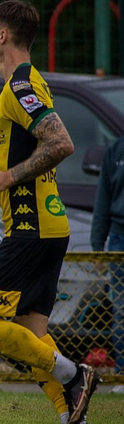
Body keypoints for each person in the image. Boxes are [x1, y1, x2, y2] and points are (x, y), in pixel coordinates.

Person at [0, 0, 98, 424]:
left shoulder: (19, 87)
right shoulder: (27, 83)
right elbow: (28, 157)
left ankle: (74, 374)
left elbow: (61, 143)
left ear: (3, 35)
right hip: (46, 228)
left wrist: (7, 178)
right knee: (32, 334)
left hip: (31, 230)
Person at [91, 135, 124, 373]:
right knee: (121, 310)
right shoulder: (117, 149)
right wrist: (97, 246)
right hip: (119, 238)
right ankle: (122, 374)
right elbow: (103, 198)